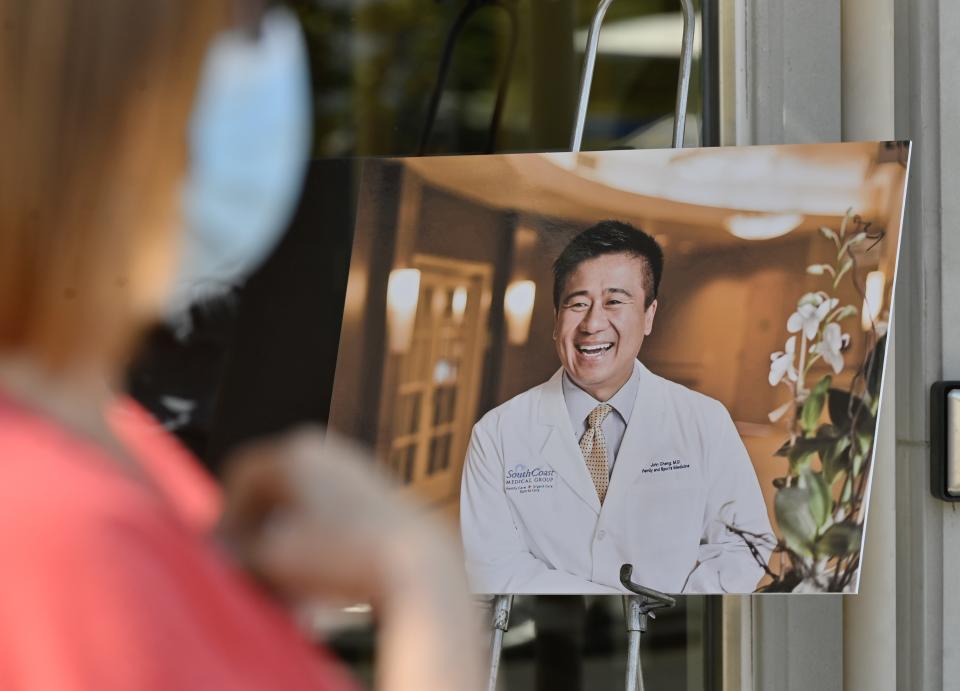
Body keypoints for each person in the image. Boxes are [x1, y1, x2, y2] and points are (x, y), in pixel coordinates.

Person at [0, 2, 482, 690]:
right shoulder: (55, 532)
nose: (276, 59)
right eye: (249, 21)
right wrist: (423, 585)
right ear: (109, 78)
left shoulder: (122, 455)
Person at [460, 221, 773, 594]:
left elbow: (743, 545)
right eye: (577, 304)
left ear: (648, 315)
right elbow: (492, 566)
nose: (592, 323)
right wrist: (619, 615)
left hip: (673, 639)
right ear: (556, 320)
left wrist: (665, 621)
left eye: (614, 301)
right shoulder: (498, 432)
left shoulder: (704, 420)